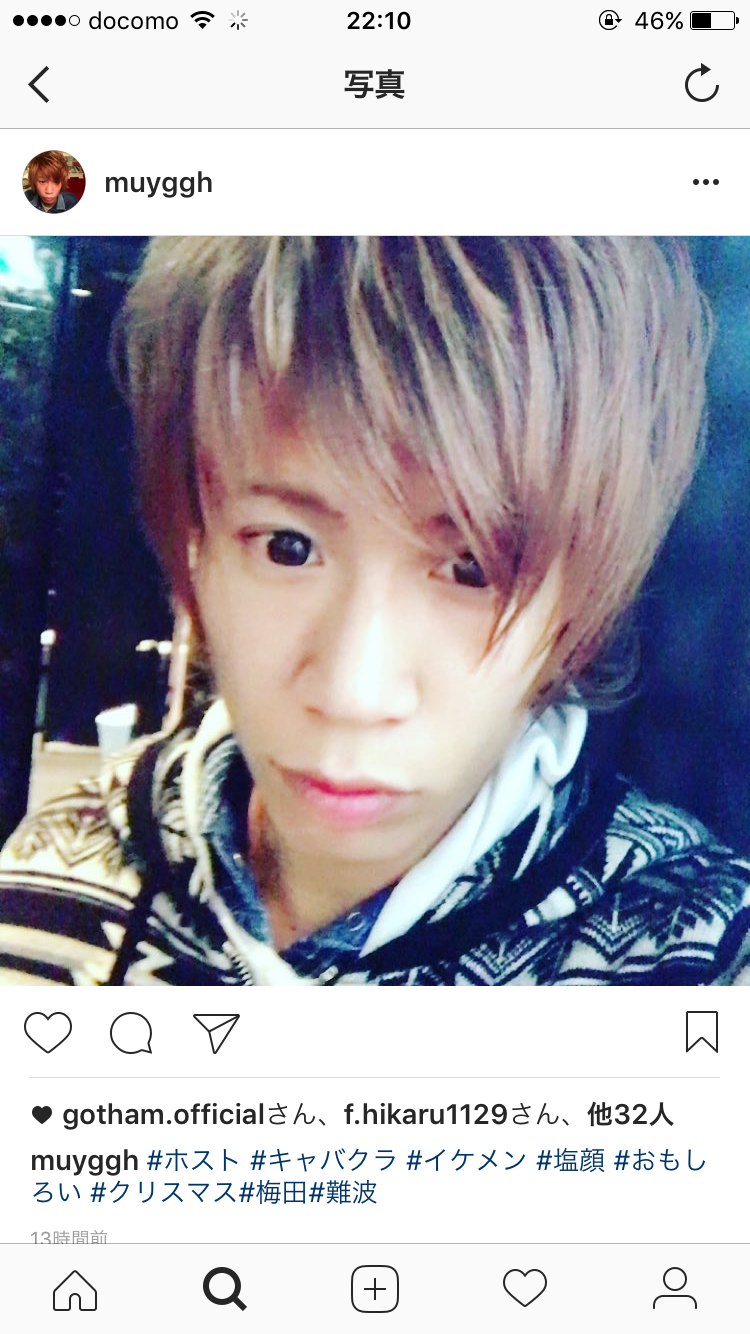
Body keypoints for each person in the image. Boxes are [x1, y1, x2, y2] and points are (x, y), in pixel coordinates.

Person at [1, 237, 749, 986]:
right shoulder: (53, 880)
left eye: (471, 569)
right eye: (287, 548)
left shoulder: (694, 956)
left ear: (580, 602)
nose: (352, 693)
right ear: (196, 542)